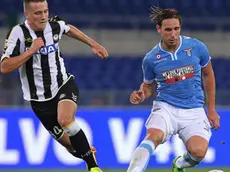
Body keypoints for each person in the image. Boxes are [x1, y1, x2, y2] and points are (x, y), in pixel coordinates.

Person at [0, 0, 109, 171]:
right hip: (39, 100)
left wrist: (93, 44)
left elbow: (69, 28)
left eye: (45, 11)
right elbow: (5, 67)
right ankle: (86, 151)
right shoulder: (18, 34)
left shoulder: (54, 26)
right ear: (27, 14)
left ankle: (93, 167)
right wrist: (30, 51)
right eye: (38, 13)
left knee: (65, 120)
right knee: (70, 146)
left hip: (63, 85)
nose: (43, 16)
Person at [127, 6, 220, 172]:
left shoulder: (196, 47)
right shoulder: (151, 59)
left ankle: (179, 164)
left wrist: (211, 109)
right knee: (153, 136)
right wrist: (142, 94)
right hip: (166, 108)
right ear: (159, 29)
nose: (173, 34)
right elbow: (148, 85)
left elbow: (208, 75)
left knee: (198, 152)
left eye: (176, 29)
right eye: (168, 30)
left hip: (194, 109)